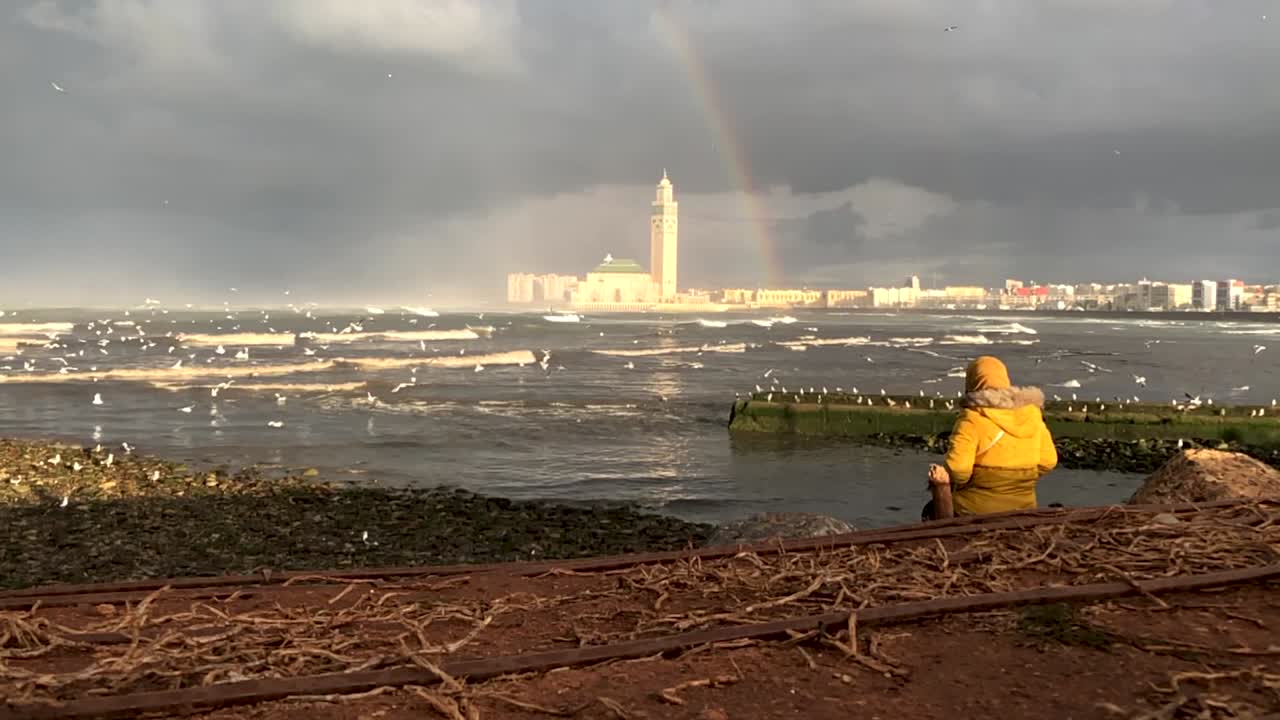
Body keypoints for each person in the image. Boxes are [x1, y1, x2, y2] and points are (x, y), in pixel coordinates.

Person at [922, 355, 1057, 520]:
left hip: (973, 509)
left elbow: (959, 469)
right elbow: (1049, 461)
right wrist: (1020, 481)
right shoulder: (1032, 415)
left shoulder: (973, 417)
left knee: (929, 511)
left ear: (972, 382)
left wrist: (970, 484)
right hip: (1024, 507)